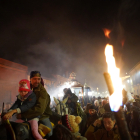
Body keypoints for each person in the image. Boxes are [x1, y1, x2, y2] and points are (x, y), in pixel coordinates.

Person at [16, 71, 52, 138]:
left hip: (42, 115)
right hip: (29, 114)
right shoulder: (27, 88)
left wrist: (23, 115)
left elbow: (40, 110)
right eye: (35, 79)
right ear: (30, 79)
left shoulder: (42, 92)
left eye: (39, 79)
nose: (37, 81)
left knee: (50, 134)